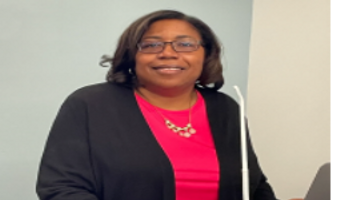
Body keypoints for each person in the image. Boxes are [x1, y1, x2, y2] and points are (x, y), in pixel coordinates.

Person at [36, 10, 277, 200]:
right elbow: (61, 188)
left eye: (185, 44)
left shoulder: (226, 108)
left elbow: (254, 186)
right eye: (151, 45)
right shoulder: (91, 104)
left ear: (206, 55)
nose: (168, 53)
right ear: (132, 56)